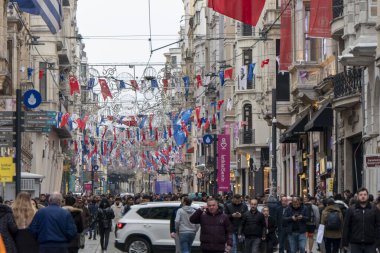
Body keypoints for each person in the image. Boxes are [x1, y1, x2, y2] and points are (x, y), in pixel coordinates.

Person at [342, 187, 380, 253]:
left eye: (365, 195)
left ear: (367, 196)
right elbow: (346, 226)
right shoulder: (351, 209)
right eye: (361, 195)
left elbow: (378, 226)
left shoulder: (374, 209)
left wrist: (378, 243)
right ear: (357, 196)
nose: (363, 196)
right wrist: (345, 243)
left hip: (370, 243)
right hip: (355, 243)